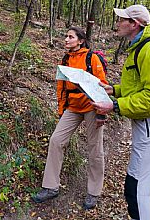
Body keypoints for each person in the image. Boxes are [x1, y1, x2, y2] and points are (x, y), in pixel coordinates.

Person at [92, 5, 150, 220]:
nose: (117, 24)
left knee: (135, 187)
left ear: (134, 24)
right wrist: (114, 90)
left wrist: (115, 105)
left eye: (121, 20)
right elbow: (139, 85)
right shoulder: (140, 46)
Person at [32, 26, 108, 210]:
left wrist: (101, 113)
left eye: (70, 37)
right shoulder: (65, 59)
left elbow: (102, 85)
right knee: (56, 140)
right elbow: (61, 87)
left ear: (80, 40)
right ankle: (51, 187)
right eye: (66, 36)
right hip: (72, 107)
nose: (66, 40)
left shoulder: (92, 58)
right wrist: (61, 110)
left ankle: (94, 192)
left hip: (92, 106)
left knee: (94, 148)